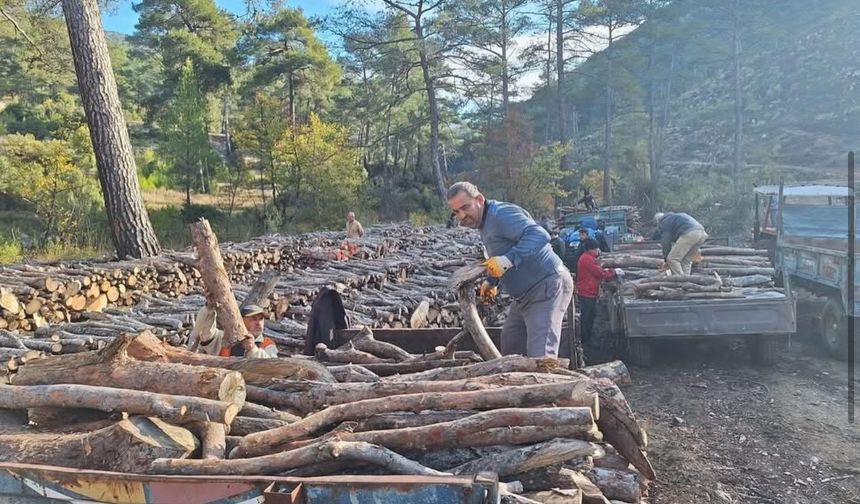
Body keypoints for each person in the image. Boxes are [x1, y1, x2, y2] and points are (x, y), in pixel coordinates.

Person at [447, 182, 574, 358]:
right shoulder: (484, 222)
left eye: (465, 207)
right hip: (523, 297)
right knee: (512, 345)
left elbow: (539, 235)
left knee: (541, 356)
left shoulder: (501, 214)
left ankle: (545, 376)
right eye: (456, 212)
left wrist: (508, 259)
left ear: (480, 199)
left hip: (546, 286)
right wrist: (492, 281)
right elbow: (500, 253)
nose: (461, 216)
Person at [575, 239, 623, 344]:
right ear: (591, 250)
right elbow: (600, 273)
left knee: (590, 315)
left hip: (588, 290)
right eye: (597, 249)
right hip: (587, 292)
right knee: (587, 317)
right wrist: (614, 272)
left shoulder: (587, 257)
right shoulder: (587, 259)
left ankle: (586, 337)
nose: (598, 251)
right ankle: (585, 340)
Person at [189, 304, 278, 358]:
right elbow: (204, 332)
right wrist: (209, 307)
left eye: (261, 319)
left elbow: (273, 367)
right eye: (254, 319)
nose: (259, 323)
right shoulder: (224, 338)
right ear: (241, 321)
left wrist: (253, 350)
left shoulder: (268, 344)